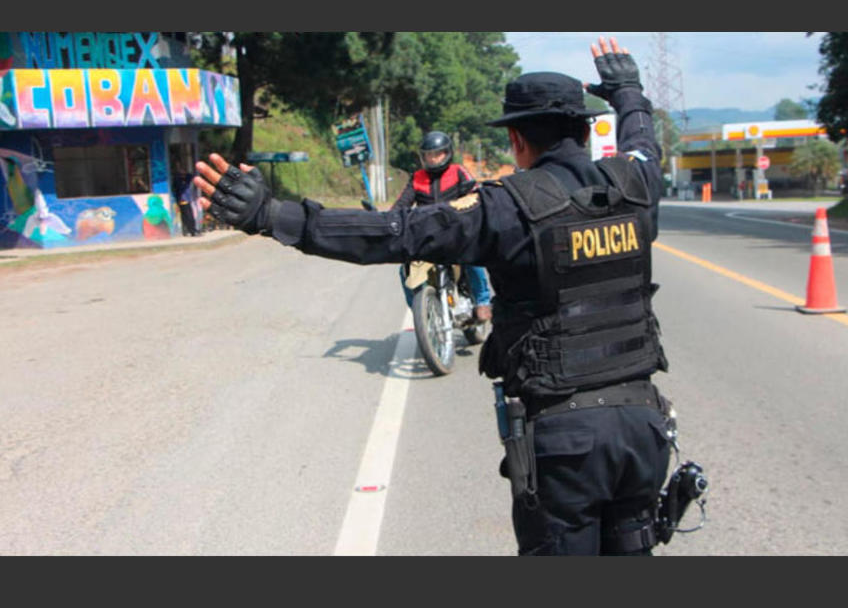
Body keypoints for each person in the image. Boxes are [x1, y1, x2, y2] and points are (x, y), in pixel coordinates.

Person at [195, 37, 673, 556]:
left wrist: (272, 216)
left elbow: (391, 234)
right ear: (585, 130)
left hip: (567, 442)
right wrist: (629, 92)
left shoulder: (507, 208)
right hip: (642, 430)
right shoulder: (636, 186)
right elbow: (644, 141)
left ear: (515, 139)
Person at [392, 130, 492, 321]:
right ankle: (419, 312)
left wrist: (471, 209)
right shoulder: (417, 177)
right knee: (404, 269)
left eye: (437, 154)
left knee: (473, 258)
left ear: (447, 153)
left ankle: (482, 301)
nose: (433, 159)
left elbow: (474, 193)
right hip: (428, 235)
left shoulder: (458, 171)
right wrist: (388, 219)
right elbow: (401, 204)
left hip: (457, 232)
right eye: (429, 155)